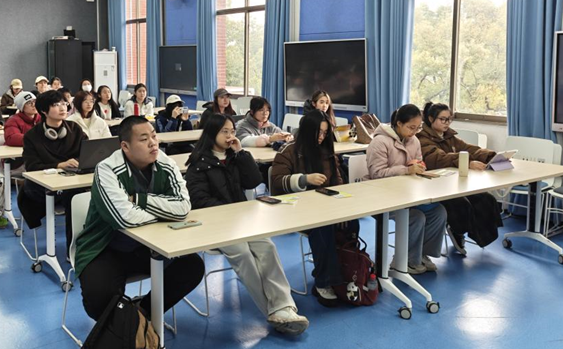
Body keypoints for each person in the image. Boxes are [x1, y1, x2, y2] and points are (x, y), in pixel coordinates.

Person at [186, 114, 309, 334]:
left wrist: (241, 152)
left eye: (232, 131)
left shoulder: (235, 157)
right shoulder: (198, 164)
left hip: (242, 220)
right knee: (243, 254)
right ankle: (273, 312)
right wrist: (230, 212)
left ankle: (284, 306)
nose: (230, 136)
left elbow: (254, 181)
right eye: (224, 131)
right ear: (212, 133)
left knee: (267, 247)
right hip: (216, 225)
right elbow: (198, 200)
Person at [74, 116, 204, 324]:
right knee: (99, 299)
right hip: (106, 247)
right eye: (144, 139)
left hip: (150, 244)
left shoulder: (165, 162)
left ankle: (143, 312)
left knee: (192, 266)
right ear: (125, 146)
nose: (153, 143)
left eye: (154, 136)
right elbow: (124, 218)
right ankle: (125, 323)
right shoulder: (107, 169)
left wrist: (138, 200)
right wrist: (164, 210)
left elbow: (182, 208)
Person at [271, 110, 359, 307]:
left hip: (325, 207)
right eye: (318, 132)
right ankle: (324, 281)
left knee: (351, 223)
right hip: (295, 209)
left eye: (325, 133)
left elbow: (338, 182)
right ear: (307, 130)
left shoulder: (327, 151)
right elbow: (276, 182)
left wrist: (344, 209)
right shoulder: (289, 150)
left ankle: (345, 271)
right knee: (323, 227)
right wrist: (304, 179)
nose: (321, 137)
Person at [365, 104, 448, 274]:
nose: (414, 132)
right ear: (399, 123)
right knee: (415, 217)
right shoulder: (379, 142)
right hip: (382, 196)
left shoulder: (414, 140)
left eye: (418, 128)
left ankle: (422, 255)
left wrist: (419, 166)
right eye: (411, 127)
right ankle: (404, 261)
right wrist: (406, 170)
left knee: (438, 211)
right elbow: (377, 174)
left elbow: (418, 162)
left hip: (408, 194)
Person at [417, 102, 502, 254]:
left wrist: (490, 156)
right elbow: (437, 158)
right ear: (430, 119)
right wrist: (466, 161)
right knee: (462, 204)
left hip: (454, 184)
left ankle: (479, 236)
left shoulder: (449, 136)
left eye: (449, 119)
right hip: (434, 186)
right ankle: (458, 230)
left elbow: (469, 149)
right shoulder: (421, 138)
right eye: (443, 119)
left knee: (486, 199)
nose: (447, 123)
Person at [20, 90, 87, 249]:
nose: (63, 108)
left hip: (72, 181)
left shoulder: (74, 129)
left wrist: (77, 163)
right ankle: (73, 249)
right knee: (74, 196)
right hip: (40, 186)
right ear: (44, 111)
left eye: (64, 104)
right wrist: (59, 165)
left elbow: (87, 154)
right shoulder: (32, 136)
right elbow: (31, 166)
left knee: (83, 194)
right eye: (56, 105)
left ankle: (86, 244)